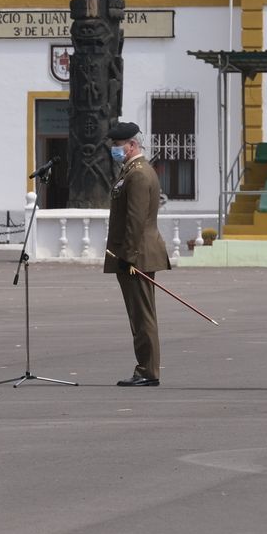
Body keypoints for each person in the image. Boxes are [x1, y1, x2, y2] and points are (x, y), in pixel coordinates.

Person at [103, 123, 172, 387]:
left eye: (118, 145)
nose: (114, 150)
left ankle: (148, 371)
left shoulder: (140, 174)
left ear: (131, 145)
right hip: (134, 252)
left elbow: (136, 220)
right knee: (138, 315)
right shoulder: (130, 171)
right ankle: (145, 368)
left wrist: (128, 256)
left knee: (143, 315)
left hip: (138, 254)